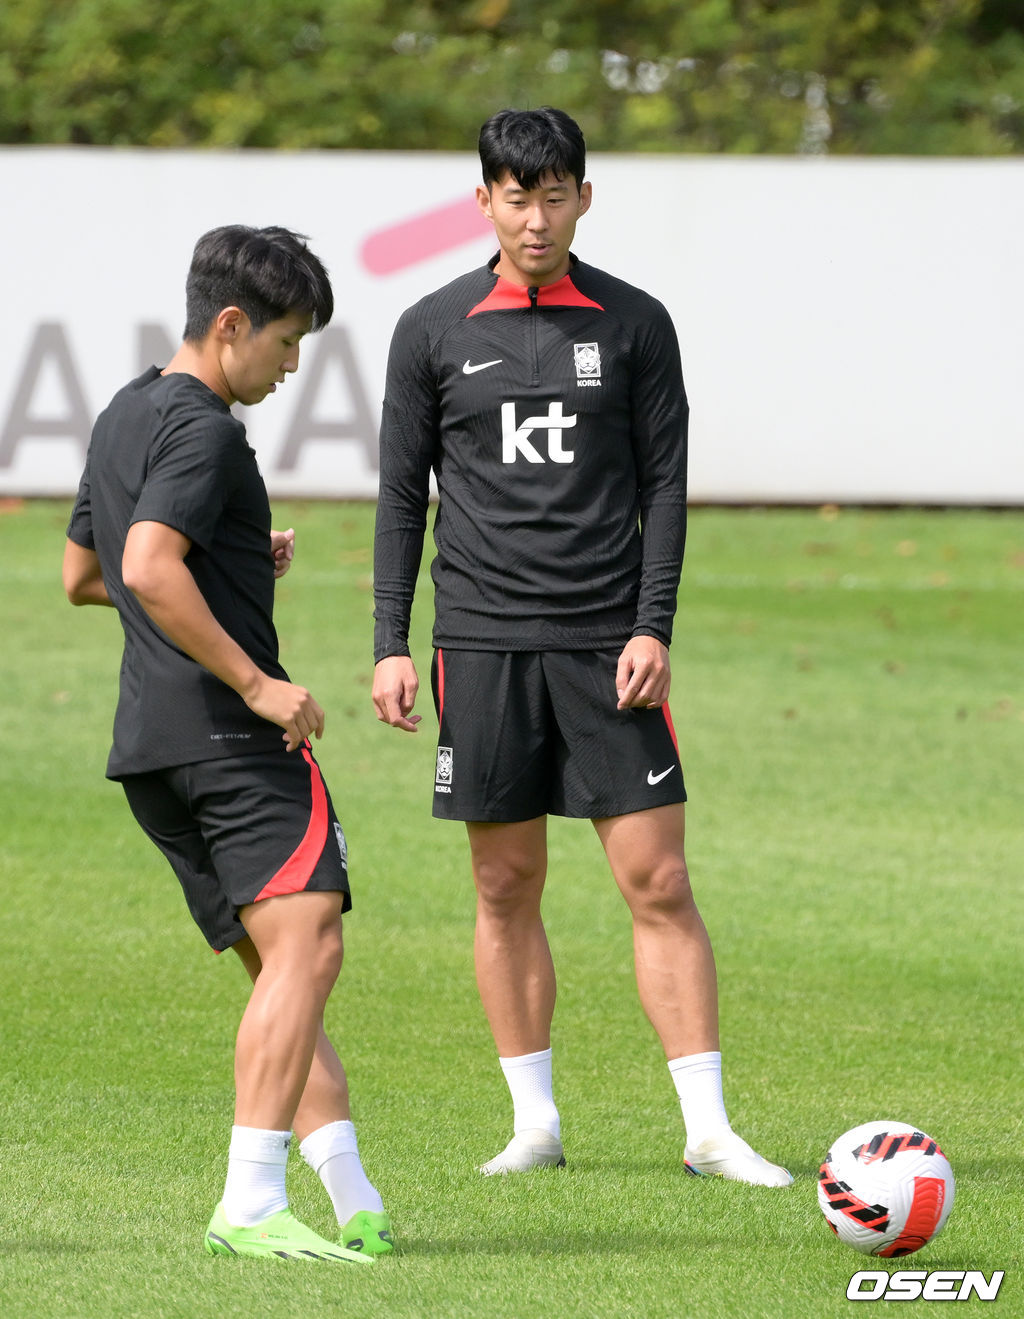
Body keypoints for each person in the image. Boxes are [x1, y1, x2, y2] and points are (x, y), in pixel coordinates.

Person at [372, 108, 791, 1187]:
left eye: (555, 193)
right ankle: (533, 1121)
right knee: (505, 881)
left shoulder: (636, 323)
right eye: (517, 195)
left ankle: (707, 1127)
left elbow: (664, 486)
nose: (536, 215)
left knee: (657, 876)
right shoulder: (429, 327)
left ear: (583, 198)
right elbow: (397, 499)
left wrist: (653, 623)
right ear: (485, 203)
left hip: (608, 643)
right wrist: (390, 640)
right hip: (480, 643)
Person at [63, 225, 393, 1261]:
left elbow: (86, 571)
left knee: (284, 967)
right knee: (313, 943)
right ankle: (249, 1198)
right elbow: (154, 567)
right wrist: (260, 683)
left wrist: (242, 553)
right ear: (232, 325)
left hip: (152, 750)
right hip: (228, 741)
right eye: (288, 343)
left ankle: (354, 1196)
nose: (293, 367)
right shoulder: (206, 429)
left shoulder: (124, 412)